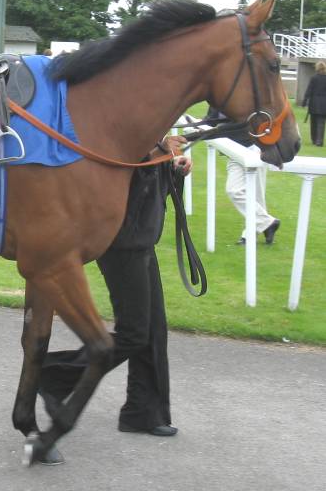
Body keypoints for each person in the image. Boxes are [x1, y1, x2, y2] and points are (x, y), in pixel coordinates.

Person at [39, 135, 191, 438]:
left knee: (153, 329)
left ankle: (143, 413)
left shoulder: (150, 117)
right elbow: (115, 160)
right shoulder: (123, 114)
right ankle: (50, 375)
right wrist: (160, 151)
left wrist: (172, 166)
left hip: (141, 232)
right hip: (119, 237)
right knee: (134, 332)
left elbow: (147, 171)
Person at [207, 106, 280, 245]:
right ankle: (268, 223)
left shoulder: (246, 98)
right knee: (233, 190)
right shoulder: (216, 101)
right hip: (234, 152)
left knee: (257, 195)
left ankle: (250, 235)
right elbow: (210, 121)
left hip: (255, 148)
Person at [302, 61, 326, 147]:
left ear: (317, 68)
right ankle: (319, 141)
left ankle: (314, 139)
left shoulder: (314, 78)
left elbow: (309, 90)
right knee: (321, 123)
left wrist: (304, 102)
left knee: (313, 122)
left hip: (314, 103)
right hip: (324, 104)